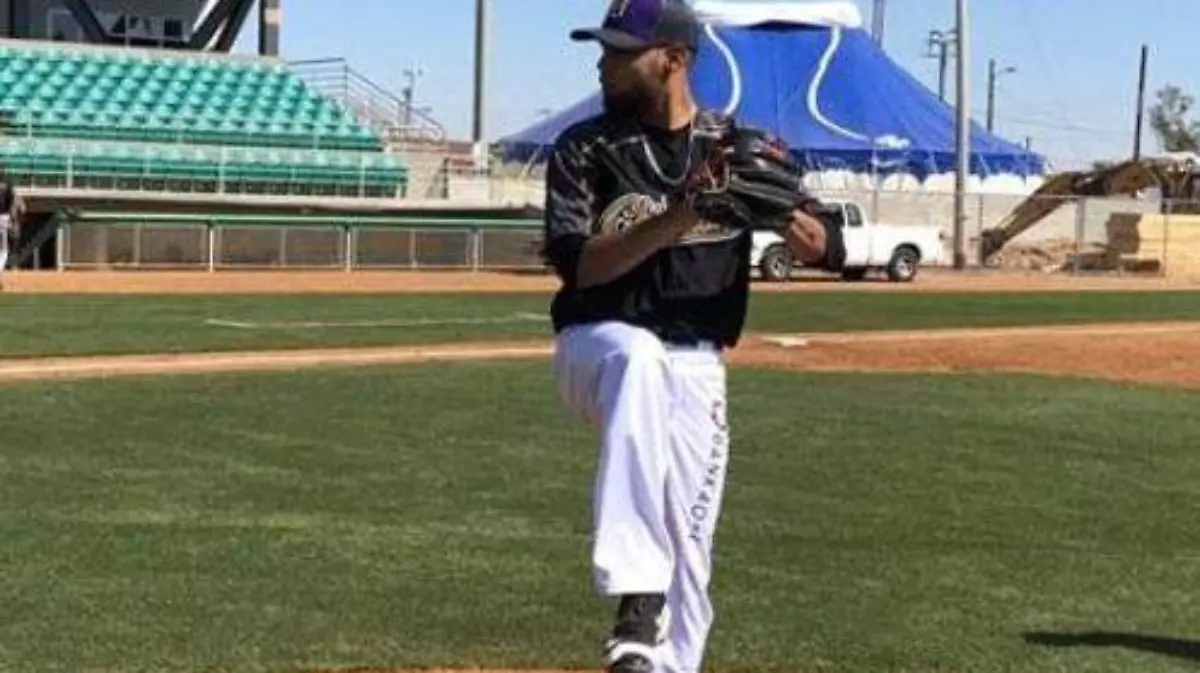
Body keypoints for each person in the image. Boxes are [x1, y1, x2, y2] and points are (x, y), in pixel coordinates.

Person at [541, 2, 830, 673]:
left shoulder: (738, 147)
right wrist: (683, 212)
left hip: (698, 365)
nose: (604, 63)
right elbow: (580, 265)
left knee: (691, 557)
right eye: (605, 49)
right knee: (639, 358)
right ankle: (637, 594)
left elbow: (825, 245)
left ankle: (652, 657)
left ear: (674, 59)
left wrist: (784, 216)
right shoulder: (585, 147)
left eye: (621, 51)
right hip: (598, 346)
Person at [0, 171, 21, 291]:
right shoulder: (8, 186)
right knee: (3, 250)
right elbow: (12, 206)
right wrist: (13, 221)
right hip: (3, 218)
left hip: (3, 217)